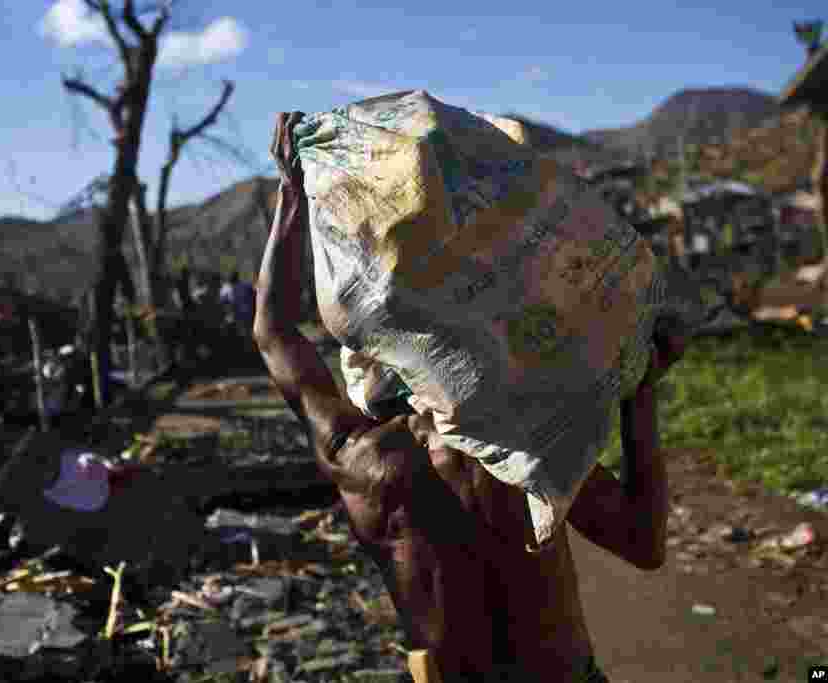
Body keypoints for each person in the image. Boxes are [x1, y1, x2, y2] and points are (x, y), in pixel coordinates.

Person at [253, 112, 687, 683]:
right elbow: (643, 544)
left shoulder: (360, 459)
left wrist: (293, 191)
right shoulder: (519, 443)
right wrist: (642, 389)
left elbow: (274, 331)